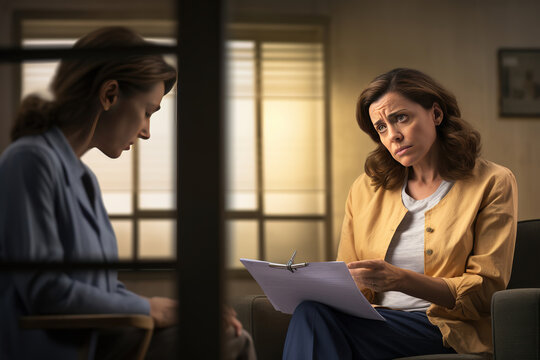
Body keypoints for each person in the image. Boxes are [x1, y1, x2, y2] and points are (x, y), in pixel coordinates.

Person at [0, 27, 255, 360]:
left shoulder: (83, 179)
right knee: (228, 343)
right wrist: (149, 307)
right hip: (63, 348)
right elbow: (44, 291)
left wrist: (174, 309)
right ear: (109, 95)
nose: (147, 131)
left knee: (223, 333)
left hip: (98, 338)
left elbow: (99, 289)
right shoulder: (29, 161)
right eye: (147, 111)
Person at [282, 68, 517, 359]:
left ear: (436, 114)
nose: (393, 135)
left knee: (316, 321)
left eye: (400, 118)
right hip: (375, 322)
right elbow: (348, 276)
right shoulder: (365, 189)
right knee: (312, 311)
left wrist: (401, 279)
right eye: (381, 127)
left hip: (444, 328)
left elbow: (486, 292)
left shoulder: (493, 181)